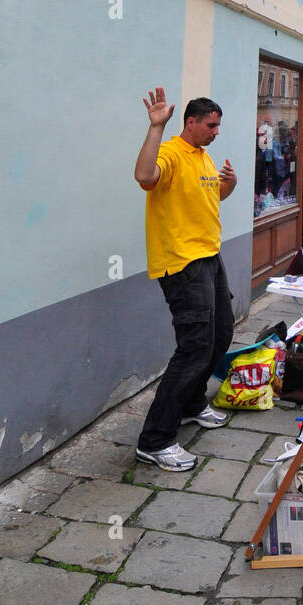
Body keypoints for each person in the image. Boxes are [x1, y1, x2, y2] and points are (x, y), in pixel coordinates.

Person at [133, 89, 237, 473]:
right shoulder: (172, 153)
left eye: (218, 126)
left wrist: (230, 184)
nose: (216, 132)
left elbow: (211, 198)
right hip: (181, 263)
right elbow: (145, 176)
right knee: (194, 347)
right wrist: (156, 126)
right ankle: (155, 440)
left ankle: (193, 404)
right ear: (190, 123)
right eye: (211, 125)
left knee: (221, 333)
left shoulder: (203, 157)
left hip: (209, 256)